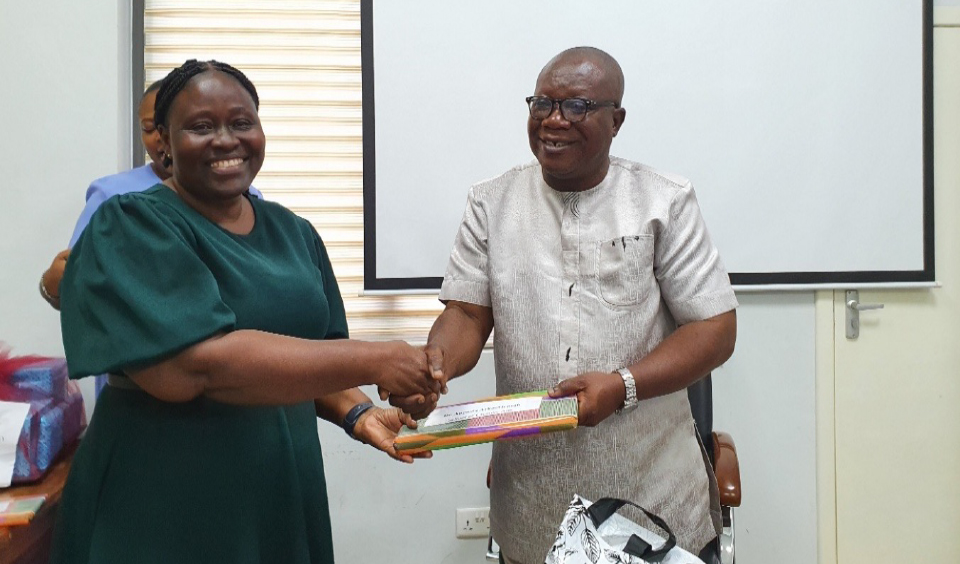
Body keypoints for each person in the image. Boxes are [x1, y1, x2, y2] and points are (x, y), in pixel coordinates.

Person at [51, 59, 440, 564]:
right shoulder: (130, 224)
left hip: (279, 485)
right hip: (166, 495)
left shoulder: (293, 232)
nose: (225, 139)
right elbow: (196, 366)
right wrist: (377, 358)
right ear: (162, 142)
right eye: (200, 126)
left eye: (241, 123)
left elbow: (315, 359)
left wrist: (360, 412)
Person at [389, 47, 738, 564]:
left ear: (616, 121)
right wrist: (433, 370)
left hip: (650, 500)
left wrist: (622, 386)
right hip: (532, 501)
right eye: (541, 104)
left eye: (576, 106)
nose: (554, 120)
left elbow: (714, 327)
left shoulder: (665, 200)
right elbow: (465, 314)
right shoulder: (492, 202)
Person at [39, 80, 263, 311]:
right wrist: (51, 286)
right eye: (149, 128)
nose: (159, 138)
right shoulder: (113, 196)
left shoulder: (248, 199)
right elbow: (72, 280)